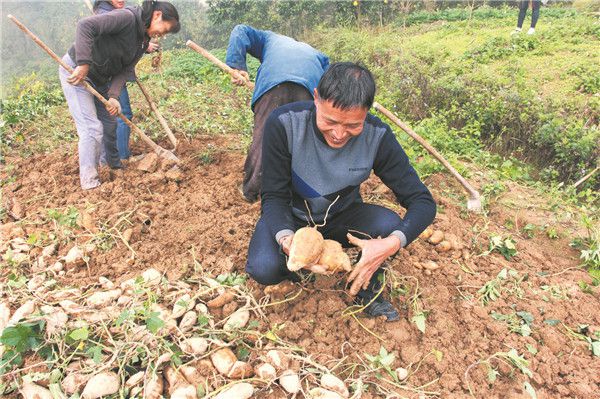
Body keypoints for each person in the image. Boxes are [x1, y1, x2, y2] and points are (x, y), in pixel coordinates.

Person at [246, 63, 437, 322]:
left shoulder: (377, 136)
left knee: (389, 225)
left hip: (342, 217)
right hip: (293, 218)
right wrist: (289, 242)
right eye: (329, 121)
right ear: (315, 98)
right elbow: (274, 197)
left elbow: (422, 201)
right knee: (264, 268)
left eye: (352, 126)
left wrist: (390, 245)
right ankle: (298, 271)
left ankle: (365, 285)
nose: (338, 134)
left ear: (366, 113)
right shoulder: (284, 123)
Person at [59, 0, 180, 189]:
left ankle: (112, 166)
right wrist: (83, 63)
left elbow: (125, 70)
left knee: (109, 123)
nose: (161, 35)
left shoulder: (142, 42)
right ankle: (90, 183)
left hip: (99, 78)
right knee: (92, 128)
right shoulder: (126, 18)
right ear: (157, 15)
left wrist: (114, 97)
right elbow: (86, 26)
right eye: (164, 30)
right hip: (76, 72)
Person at [225, 24, 330, 203]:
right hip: (309, 90)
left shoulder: (268, 38)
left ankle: (251, 191)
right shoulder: (318, 55)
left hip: (274, 85)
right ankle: (304, 195)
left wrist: (237, 65)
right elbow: (330, 81)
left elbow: (240, 30)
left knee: (264, 138)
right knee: (304, 142)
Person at [92, 0, 160, 160]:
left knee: (113, 116)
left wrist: (143, 44)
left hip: (115, 72)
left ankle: (111, 157)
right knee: (122, 114)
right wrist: (144, 44)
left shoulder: (114, 11)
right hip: (110, 74)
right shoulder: (106, 14)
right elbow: (118, 43)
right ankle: (120, 156)